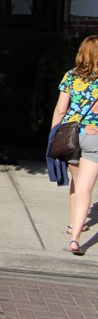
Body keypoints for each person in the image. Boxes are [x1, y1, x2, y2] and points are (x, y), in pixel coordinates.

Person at [50, 35, 98, 256]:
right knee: (86, 189)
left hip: (70, 135)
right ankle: (76, 238)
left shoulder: (70, 76)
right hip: (92, 136)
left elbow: (60, 109)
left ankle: (73, 224)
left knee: (76, 183)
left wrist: (54, 133)